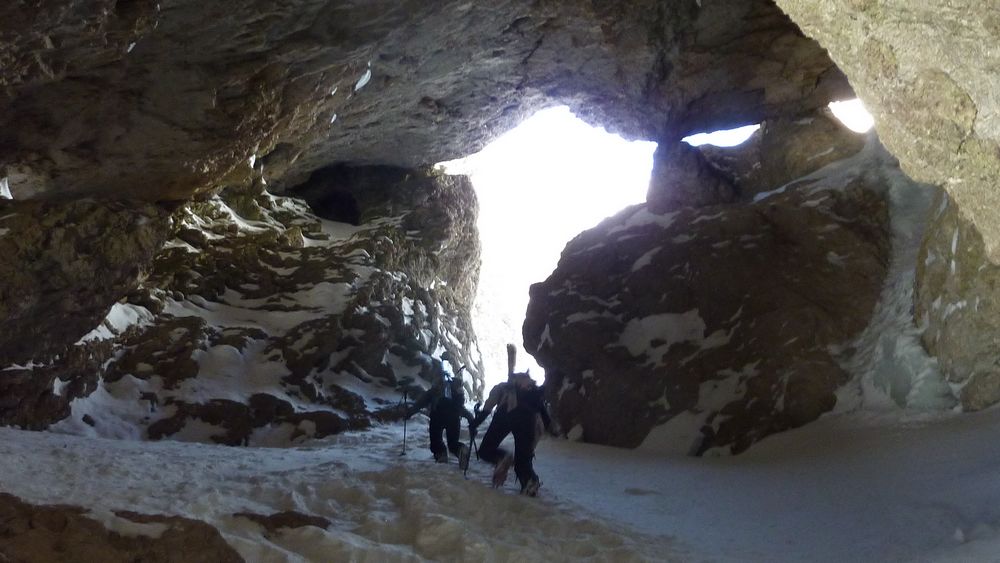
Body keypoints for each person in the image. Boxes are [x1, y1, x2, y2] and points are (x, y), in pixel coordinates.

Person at [474, 345, 553, 496]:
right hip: (530, 420)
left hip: (505, 414)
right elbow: (544, 418)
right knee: (523, 461)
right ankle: (530, 482)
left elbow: (488, 408)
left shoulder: (504, 387)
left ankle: (502, 457)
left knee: (485, 450)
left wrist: (475, 423)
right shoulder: (533, 395)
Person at [406, 352, 475, 463]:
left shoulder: (437, 385)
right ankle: (461, 450)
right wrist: (470, 419)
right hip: (454, 417)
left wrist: (410, 412)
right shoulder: (455, 386)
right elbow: (460, 407)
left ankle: (441, 455)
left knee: (436, 440)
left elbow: (424, 401)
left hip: (437, 415)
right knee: (453, 444)